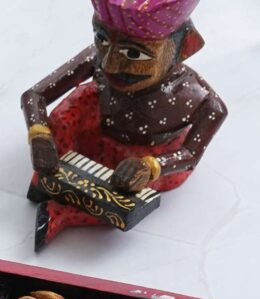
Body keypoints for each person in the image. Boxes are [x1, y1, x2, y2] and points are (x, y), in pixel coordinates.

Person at [22, 0, 226, 249]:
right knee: (75, 105)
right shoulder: (98, 58)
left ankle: (65, 212)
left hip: (147, 157)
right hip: (97, 134)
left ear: (186, 46)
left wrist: (152, 166)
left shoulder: (199, 98)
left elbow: (190, 154)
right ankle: (48, 178)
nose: (109, 64)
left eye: (134, 54)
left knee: (130, 186)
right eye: (102, 39)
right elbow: (35, 95)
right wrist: (39, 134)